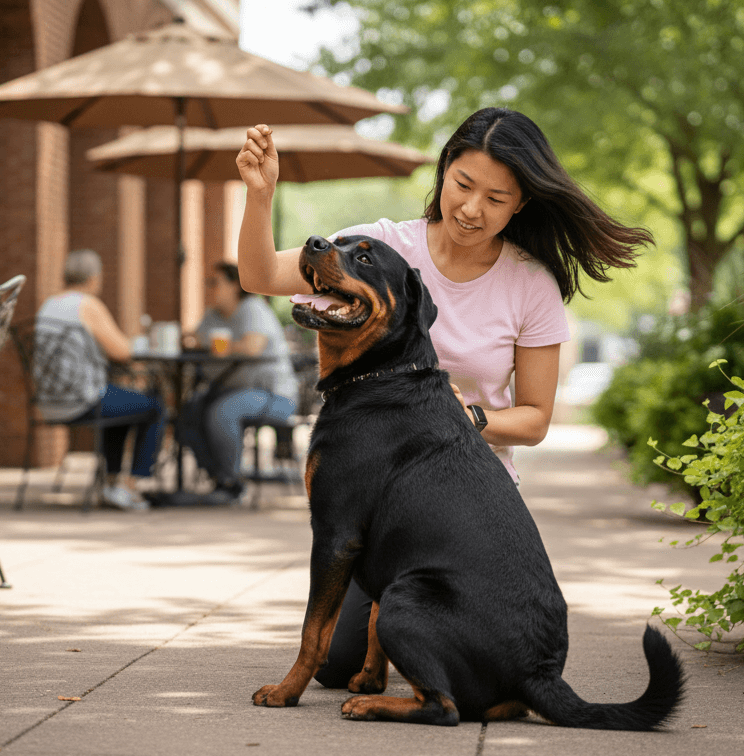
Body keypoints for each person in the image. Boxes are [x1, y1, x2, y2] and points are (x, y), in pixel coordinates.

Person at [234, 107, 651, 686]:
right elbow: (259, 276)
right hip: (377, 494)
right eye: (463, 185)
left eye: (497, 198)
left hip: (458, 500)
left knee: (409, 636)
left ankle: (469, 666)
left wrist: (467, 416)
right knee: (338, 663)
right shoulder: (379, 250)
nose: (472, 209)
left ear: (521, 204)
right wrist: (260, 194)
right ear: (444, 171)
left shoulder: (531, 286)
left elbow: (533, 420)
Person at [33, 249, 167, 512]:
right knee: (154, 406)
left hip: (48, 401)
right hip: (82, 400)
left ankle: (111, 482)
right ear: (94, 278)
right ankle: (129, 486)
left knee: (121, 403)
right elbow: (123, 352)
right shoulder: (88, 305)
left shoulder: (48, 305)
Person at [177, 262, 299, 506]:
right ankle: (221, 479)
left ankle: (232, 483)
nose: (212, 288)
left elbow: (253, 347)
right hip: (227, 390)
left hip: (274, 395)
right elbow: (189, 337)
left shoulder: (253, 308)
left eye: (217, 282)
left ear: (235, 285)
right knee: (188, 413)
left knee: (223, 411)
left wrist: (218, 346)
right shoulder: (212, 315)